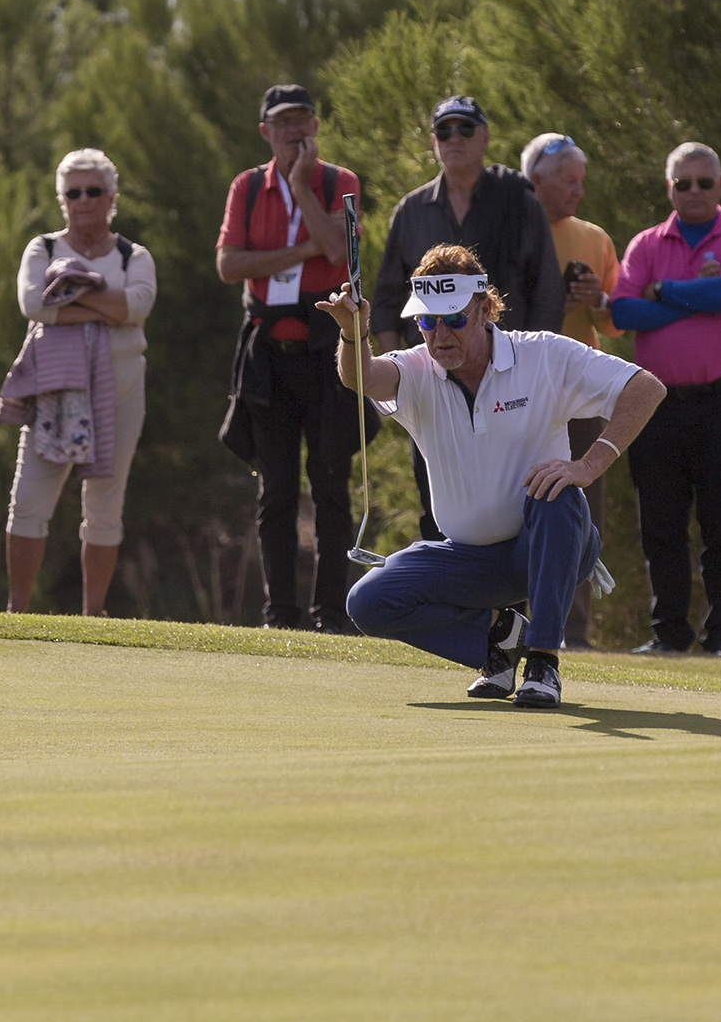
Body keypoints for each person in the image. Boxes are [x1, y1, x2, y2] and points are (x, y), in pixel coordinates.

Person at [326, 247, 667, 708]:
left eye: (454, 321)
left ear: (485, 310)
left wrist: (588, 466)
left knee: (555, 494)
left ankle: (543, 661)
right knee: (367, 601)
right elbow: (361, 378)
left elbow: (646, 387)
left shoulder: (542, 354)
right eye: (427, 323)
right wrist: (352, 334)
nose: (440, 336)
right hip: (468, 561)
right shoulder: (417, 368)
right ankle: (501, 640)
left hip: (550, 548)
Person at [371, 96, 560, 541]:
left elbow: (547, 292)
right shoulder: (411, 211)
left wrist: (535, 371)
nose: (454, 139)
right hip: (433, 386)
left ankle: (509, 612)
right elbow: (386, 297)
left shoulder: (519, 201)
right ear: (433, 141)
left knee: (514, 506)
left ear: (485, 136)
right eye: (444, 131)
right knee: (436, 504)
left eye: (465, 129)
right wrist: (396, 374)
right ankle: (451, 610)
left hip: (508, 383)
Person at [214, 83, 364, 630]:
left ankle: (331, 612)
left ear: (316, 126)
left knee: (330, 484)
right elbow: (229, 266)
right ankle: (279, 613)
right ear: (266, 132)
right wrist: (300, 250)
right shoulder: (247, 187)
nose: (295, 130)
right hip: (268, 357)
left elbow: (338, 251)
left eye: (303, 120)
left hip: (327, 353)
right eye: (283, 123)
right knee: (275, 489)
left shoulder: (337, 182)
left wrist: (302, 187)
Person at [608, 142, 721, 654]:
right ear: (668, 189)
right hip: (655, 405)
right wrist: (689, 298)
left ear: (720, 186)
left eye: (703, 182)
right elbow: (624, 313)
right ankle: (668, 634)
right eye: (682, 183)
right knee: (662, 525)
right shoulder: (646, 244)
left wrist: (661, 292)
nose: (693, 191)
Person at [2, 148, 158, 616]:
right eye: (73, 192)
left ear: (110, 197)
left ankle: (93, 614)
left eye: (93, 191)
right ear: (61, 198)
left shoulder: (135, 255)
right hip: (54, 392)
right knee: (28, 500)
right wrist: (104, 304)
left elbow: (137, 308)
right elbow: (33, 305)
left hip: (122, 391)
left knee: (105, 507)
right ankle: (17, 612)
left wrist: (72, 297)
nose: (83, 200)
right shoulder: (43, 249)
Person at [524, 130, 624, 647]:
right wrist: (550, 308)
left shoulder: (595, 237)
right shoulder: (515, 227)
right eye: (568, 181)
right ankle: (519, 623)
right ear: (536, 179)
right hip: (522, 386)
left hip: (581, 390)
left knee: (582, 506)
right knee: (520, 502)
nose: (578, 191)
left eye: (581, 181)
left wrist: (597, 299)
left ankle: (574, 630)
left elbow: (612, 324)